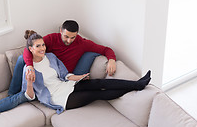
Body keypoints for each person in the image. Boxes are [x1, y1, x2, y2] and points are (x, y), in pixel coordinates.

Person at [0, 20, 126, 120]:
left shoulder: (55, 55)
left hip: (64, 75)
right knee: (18, 94)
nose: (69, 41)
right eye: (66, 37)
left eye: (73, 37)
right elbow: (27, 52)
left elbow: (105, 49)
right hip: (45, 85)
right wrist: (30, 67)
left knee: (96, 83)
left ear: (77, 35)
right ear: (60, 31)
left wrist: (111, 59)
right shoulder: (49, 42)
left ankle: (134, 85)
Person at [21, 30, 151, 114]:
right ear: (30, 49)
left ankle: (137, 84)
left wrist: (79, 77)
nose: (42, 48)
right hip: (59, 98)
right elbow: (30, 96)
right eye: (38, 46)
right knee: (96, 94)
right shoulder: (28, 69)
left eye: (43, 45)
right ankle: (136, 87)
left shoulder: (50, 57)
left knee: (99, 83)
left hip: (66, 85)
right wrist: (29, 83)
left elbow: (65, 75)